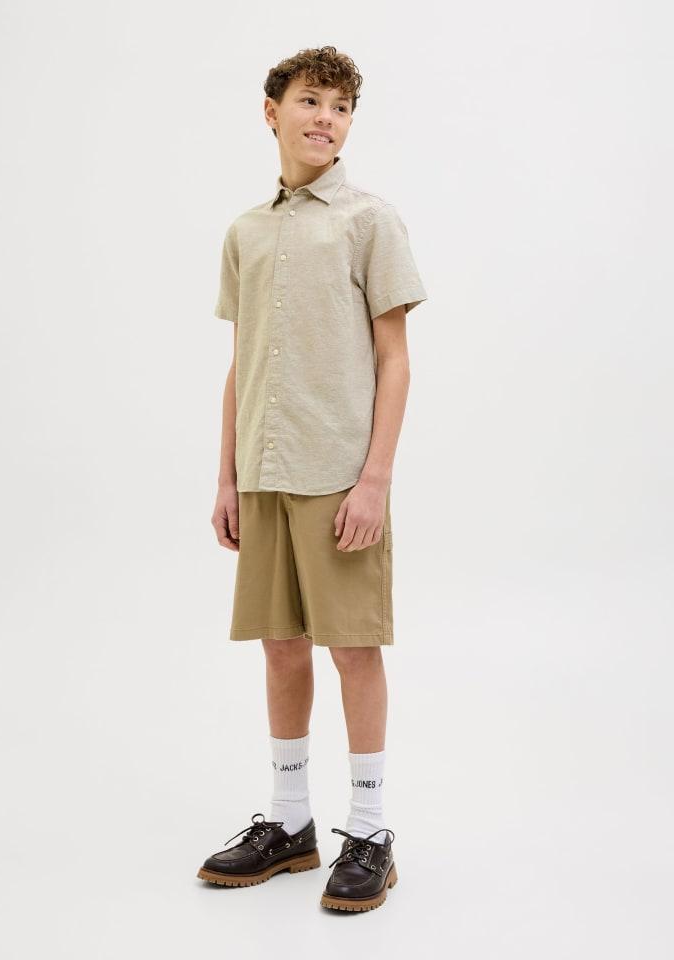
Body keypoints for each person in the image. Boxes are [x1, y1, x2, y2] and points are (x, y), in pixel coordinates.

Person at [198, 45, 427, 913]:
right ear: (273, 112)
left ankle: (369, 830)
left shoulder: (369, 221)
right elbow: (242, 360)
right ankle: (290, 821)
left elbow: (395, 359)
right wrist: (226, 477)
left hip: (338, 473)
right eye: (309, 101)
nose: (325, 118)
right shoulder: (246, 232)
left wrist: (375, 482)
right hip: (263, 469)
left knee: (352, 647)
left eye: (340, 106)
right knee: (280, 644)